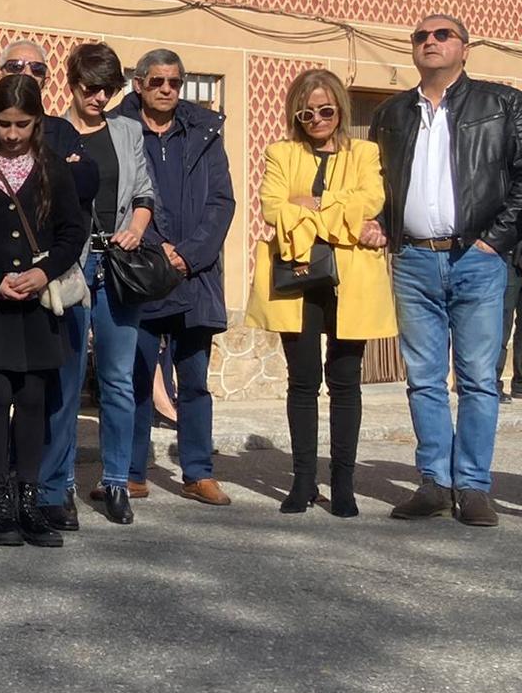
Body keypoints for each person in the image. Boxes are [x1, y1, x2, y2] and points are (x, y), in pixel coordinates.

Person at [370, 15, 522, 527]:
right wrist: (382, 227)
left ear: (465, 48)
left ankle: (474, 486)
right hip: (413, 259)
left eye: (442, 35)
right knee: (424, 379)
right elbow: (376, 182)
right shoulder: (392, 113)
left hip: (476, 261)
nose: (430, 42)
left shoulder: (502, 104)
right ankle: (435, 481)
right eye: (420, 36)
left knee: (479, 378)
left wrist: (492, 242)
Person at [246, 69, 389, 519]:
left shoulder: (365, 152)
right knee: (303, 383)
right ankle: (303, 480)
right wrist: (341, 213)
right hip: (297, 276)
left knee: (345, 383)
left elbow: (371, 202)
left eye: (326, 110)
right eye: (306, 112)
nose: (316, 119)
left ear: (340, 110)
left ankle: (342, 482)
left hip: (353, 280)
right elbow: (272, 207)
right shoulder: (281, 153)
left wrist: (308, 207)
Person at [0, 74, 86, 548]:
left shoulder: (52, 165)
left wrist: (44, 273)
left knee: (32, 401)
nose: (13, 134)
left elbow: (72, 232)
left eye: (23, 124)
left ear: (39, 121)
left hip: (37, 303)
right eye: (4, 124)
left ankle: (30, 500)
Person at [119, 49, 235, 507]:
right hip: (142, 271)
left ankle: (198, 472)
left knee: (195, 381)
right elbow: (122, 197)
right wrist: (155, 251)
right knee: (136, 374)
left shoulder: (205, 132)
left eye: (174, 82)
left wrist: (187, 256)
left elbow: (222, 203)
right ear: (139, 85)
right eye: (157, 81)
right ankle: (130, 471)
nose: (166, 89)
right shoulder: (122, 129)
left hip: (196, 274)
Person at [57, 43, 155, 528]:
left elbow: (144, 193)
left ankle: (116, 482)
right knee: (68, 380)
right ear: (72, 82)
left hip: (117, 263)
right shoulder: (52, 132)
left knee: (117, 380)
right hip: (68, 269)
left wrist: (137, 227)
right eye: (90, 87)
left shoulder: (127, 130)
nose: (99, 97)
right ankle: (63, 484)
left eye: (109, 89)